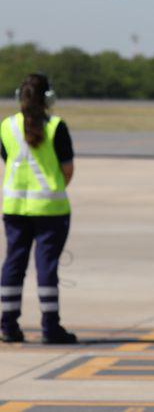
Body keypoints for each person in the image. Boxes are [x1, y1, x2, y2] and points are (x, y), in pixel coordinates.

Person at [1, 73, 77, 344]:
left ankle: (8, 325)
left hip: (14, 208)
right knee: (46, 267)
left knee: (13, 263)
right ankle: (50, 326)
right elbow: (67, 170)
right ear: (49, 99)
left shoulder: (7, 126)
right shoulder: (56, 126)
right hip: (50, 208)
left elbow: (8, 160)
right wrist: (53, 187)